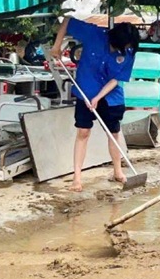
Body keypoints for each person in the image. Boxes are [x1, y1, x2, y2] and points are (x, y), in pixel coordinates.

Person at [50, 18, 140, 192]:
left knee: (113, 133)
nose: (122, 50)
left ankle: (118, 171)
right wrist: (57, 46)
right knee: (83, 132)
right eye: (119, 47)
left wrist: (98, 97)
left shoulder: (129, 53)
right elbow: (67, 21)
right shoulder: (94, 35)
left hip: (111, 97)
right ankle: (77, 179)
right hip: (85, 91)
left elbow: (116, 79)